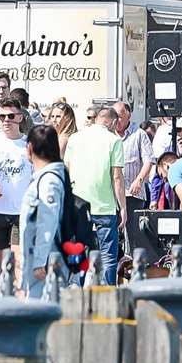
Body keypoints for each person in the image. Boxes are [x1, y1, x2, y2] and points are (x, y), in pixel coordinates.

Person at [62, 104, 127, 285]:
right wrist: (123, 207)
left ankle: (75, 288)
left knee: (78, 251)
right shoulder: (114, 141)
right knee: (108, 255)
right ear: (113, 122)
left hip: (78, 205)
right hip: (104, 205)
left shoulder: (75, 138)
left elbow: (66, 169)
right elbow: (117, 178)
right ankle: (107, 292)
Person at [18, 124, 68, 297]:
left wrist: (40, 261)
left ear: (30, 148)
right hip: (45, 258)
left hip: (46, 261)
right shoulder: (49, 177)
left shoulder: (48, 182)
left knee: (42, 312)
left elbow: (48, 221)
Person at [0, 98, 33, 274]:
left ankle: (18, 297)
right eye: (1, 116)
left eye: (10, 115)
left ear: (20, 118)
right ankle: (2, 298)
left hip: (20, 211)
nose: (6, 120)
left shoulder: (29, 143)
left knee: (17, 261)